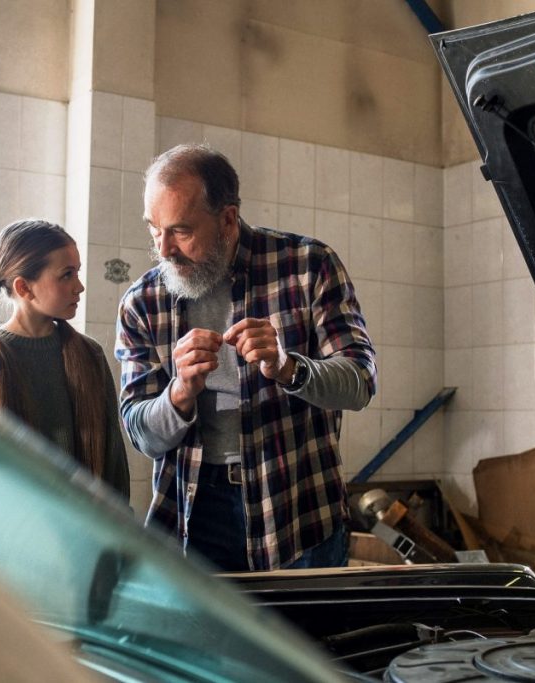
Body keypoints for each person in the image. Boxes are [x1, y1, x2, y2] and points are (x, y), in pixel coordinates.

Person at [115, 144, 377, 571]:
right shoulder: (142, 302)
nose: (164, 250)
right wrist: (178, 394)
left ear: (228, 219)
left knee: (309, 640)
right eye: (153, 230)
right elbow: (141, 434)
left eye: (180, 231)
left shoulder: (308, 266)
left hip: (298, 508)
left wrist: (289, 368)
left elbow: (360, 383)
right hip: (194, 515)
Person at [0, 218, 130, 498]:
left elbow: (113, 462)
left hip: (86, 534)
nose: (80, 287)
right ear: (24, 288)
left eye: (78, 272)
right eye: (67, 275)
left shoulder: (90, 355)